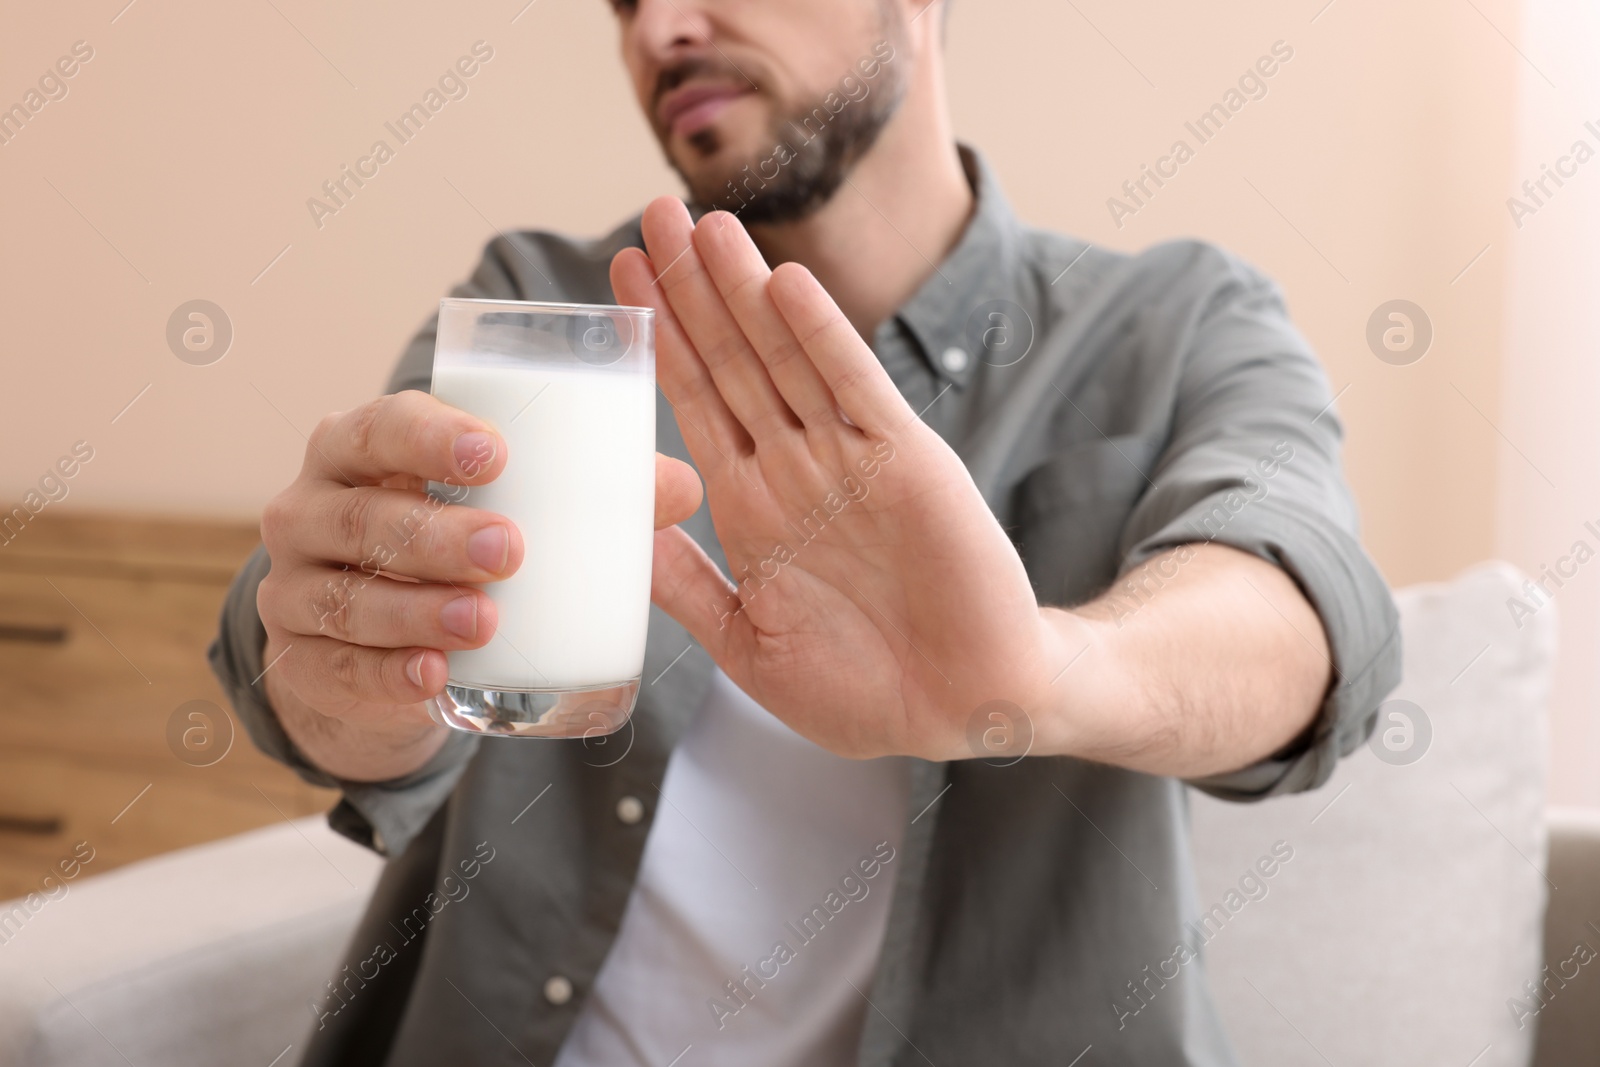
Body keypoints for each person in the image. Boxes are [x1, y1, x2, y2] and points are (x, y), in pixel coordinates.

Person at [209, 1, 1401, 1063]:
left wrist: (1038, 672)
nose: (656, 30)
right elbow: (327, 705)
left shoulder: (1178, 320)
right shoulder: (553, 306)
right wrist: (353, 677)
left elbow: (1296, 608)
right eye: (621, 2)